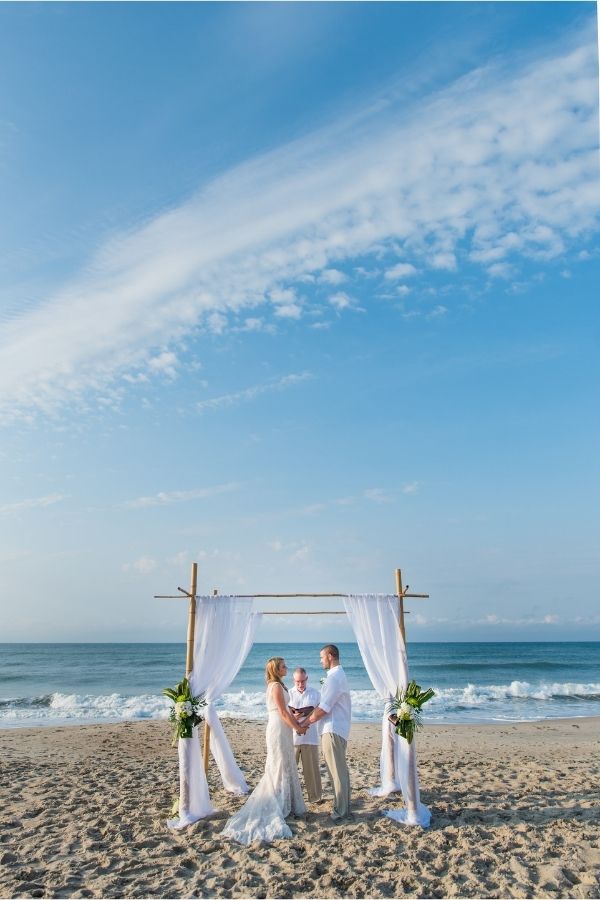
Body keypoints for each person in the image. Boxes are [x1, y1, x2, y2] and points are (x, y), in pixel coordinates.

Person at [221, 657, 308, 845]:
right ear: (276, 670)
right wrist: (298, 728)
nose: (287, 668)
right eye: (284, 666)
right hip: (278, 727)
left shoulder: (279, 685)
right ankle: (277, 803)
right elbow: (282, 713)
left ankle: (287, 802)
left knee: (285, 763)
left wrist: (295, 717)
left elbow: (285, 710)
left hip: (282, 727)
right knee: (278, 765)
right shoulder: (276, 686)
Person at [304, 644, 352, 822]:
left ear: (330, 656)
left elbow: (323, 708)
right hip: (336, 729)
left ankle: (341, 811)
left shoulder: (334, 678)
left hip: (332, 729)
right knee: (339, 771)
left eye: (322, 657)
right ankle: (343, 807)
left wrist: (304, 724)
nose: (320, 660)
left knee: (337, 772)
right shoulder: (336, 676)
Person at [288, 667, 322, 803]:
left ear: (307, 679)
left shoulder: (315, 694)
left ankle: (316, 798)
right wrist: (294, 717)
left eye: (302, 681)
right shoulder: (288, 694)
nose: (300, 684)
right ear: (293, 680)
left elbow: (321, 713)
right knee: (290, 771)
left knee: (312, 770)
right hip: (292, 738)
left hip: (311, 737)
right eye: (297, 682)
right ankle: (290, 797)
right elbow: (283, 716)